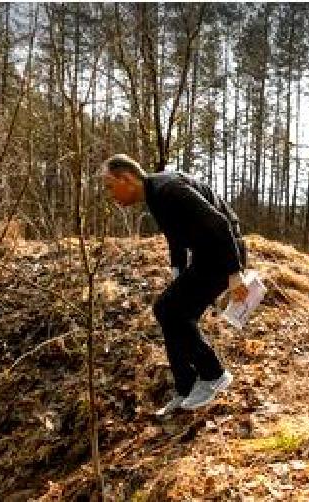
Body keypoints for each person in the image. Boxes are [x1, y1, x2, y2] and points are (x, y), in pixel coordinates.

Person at [101, 154, 248, 415]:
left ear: (127, 179)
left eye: (110, 186)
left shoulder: (170, 190)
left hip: (223, 254)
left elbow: (220, 223)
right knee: (169, 311)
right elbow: (175, 237)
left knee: (171, 312)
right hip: (207, 255)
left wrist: (234, 273)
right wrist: (177, 271)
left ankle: (214, 375)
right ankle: (186, 387)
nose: (110, 195)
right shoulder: (155, 195)